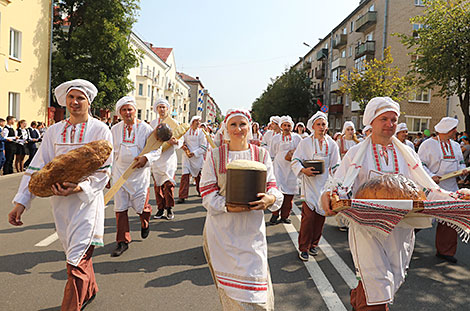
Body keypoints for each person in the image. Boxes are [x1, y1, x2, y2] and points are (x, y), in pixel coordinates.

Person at [321, 97, 464, 311]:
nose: (389, 124)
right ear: (371, 121)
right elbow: (340, 183)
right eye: (384, 119)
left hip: (401, 229)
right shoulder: (356, 153)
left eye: (393, 120)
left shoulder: (407, 154)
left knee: (391, 280)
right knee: (378, 287)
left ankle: (357, 298)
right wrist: (328, 195)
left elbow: (425, 189)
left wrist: (456, 198)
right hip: (367, 229)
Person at [8, 79, 112, 311]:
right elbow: (37, 168)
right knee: (76, 253)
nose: (75, 102)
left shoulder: (100, 129)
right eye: (71, 98)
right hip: (60, 206)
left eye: (80, 98)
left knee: (75, 260)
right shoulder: (54, 131)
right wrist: (21, 203)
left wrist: (79, 188)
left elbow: (105, 171)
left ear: (89, 102)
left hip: (87, 204)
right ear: (65, 101)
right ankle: (91, 288)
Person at [200, 109, 282, 310]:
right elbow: (207, 194)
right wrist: (228, 207)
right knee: (233, 297)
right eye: (233, 125)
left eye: (242, 124)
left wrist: (270, 199)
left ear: (250, 127)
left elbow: (272, 186)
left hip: (252, 231)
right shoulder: (214, 155)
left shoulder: (261, 154)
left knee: (257, 291)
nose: (238, 129)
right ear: (226, 129)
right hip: (222, 231)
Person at [110, 96, 159, 257]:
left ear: (134, 110)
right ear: (119, 113)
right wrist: (108, 175)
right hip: (120, 175)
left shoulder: (145, 128)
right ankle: (122, 241)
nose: (127, 113)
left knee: (142, 208)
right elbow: (109, 154)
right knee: (120, 208)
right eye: (123, 110)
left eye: (129, 109)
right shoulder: (114, 130)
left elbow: (156, 149)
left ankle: (145, 222)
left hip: (139, 176)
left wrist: (146, 159)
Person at [291, 112, 340, 261]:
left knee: (320, 218)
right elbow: (295, 160)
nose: (321, 127)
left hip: (324, 186)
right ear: (312, 126)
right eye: (318, 124)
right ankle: (303, 247)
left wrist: (339, 182)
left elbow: (336, 165)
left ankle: (314, 245)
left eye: (323, 124)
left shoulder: (332, 144)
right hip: (309, 185)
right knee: (308, 218)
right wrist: (303, 170)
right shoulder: (305, 143)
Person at [418, 117, 468, 263]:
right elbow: (420, 165)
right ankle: (406, 238)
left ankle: (446, 251)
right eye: (453, 129)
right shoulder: (427, 145)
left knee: (450, 218)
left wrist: (462, 172)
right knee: (423, 217)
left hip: (451, 187)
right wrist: (432, 176)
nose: (455, 132)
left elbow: (460, 163)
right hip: (433, 188)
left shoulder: (455, 145)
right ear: (446, 130)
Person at [150, 98, 182, 220]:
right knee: (158, 186)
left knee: (168, 185)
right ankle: (160, 209)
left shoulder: (173, 123)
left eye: (164, 107)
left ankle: (169, 208)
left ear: (168, 109)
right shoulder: (153, 123)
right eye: (160, 107)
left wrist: (175, 142)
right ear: (156, 109)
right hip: (156, 159)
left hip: (169, 159)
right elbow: (149, 139)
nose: (162, 109)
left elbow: (180, 140)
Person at [269, 115, 301, 224]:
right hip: (278, 168)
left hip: (291, 169)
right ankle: (274, 214)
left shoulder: (297, 138)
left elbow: (301, 151)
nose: (286, 127)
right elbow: (272, 152)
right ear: (281, 126)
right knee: (277, 192)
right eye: (284, 125)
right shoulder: (276, 138)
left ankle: (285, 216)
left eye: (288, 125)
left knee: (289, 194)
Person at [178, 115, 207, 203]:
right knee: (185, 176)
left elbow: (204, 147)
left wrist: (194, 153)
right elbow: (181, 141)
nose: (198, 123)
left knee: (200, 177)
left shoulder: (202, 133)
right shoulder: (186, 132)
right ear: (192, 122)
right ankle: (182, 196)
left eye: (199, 121)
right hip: (187, 158)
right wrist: (185, 149)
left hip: (198, 158)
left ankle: (201, 192)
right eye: (196, 121)